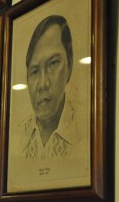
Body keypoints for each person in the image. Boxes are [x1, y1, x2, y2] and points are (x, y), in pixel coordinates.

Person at [22, 15, 84, 159]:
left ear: (70, 64)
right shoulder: (17, 137)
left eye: (53, 64)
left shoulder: (85, 131)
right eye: (35, 71)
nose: (43, 84)